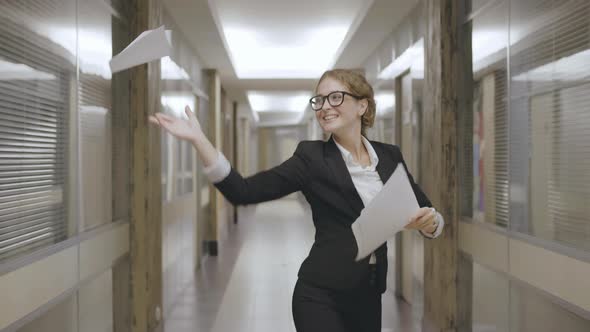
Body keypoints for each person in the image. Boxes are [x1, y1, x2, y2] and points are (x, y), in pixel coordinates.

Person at [149, 69, 444, 332]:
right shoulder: (311, 157)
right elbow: (243, 191)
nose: (325, 107)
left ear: (362, 105)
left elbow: (423, 208)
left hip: (369, 293)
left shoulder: (390, 156)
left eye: (336, 98)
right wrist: (200, 141)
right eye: (319, 100)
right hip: (320, 293)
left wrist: (431, 225)